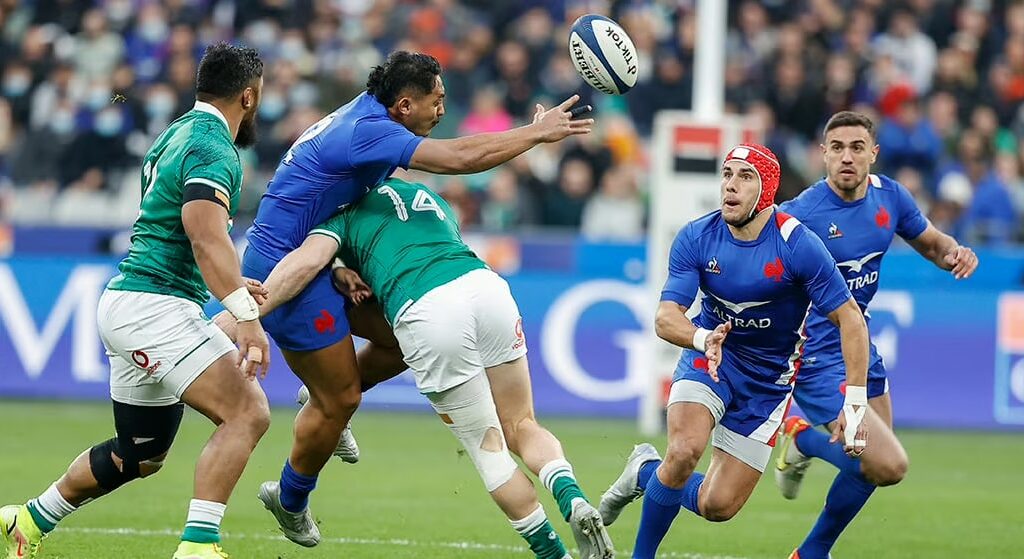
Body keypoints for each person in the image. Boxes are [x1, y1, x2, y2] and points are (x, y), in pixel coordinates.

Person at [240, 50, 593, 547]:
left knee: (408, 340)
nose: (442, 110)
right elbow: (459, 159)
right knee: (341, 398)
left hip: (327, 252)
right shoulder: (370, 132)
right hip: (288, 261)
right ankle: (291, 497)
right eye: (436, 101)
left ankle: (322, 402)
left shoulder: (371, 113)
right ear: (404, 105)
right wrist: (535, 134)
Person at [224, 176, 613, 559]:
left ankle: (554, 555)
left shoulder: (340, 218)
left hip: (428, 310)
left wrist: (246, 313)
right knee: (522, 424)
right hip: (485, 287)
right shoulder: (424, 195)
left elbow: (304, 265)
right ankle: (573, 497)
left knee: (489, 450)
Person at [1, 43, 271, 559]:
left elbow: (182, 234)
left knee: (141, 454)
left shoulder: (173, 134)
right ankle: (199, 546)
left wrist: (230, 283)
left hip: (134, 302)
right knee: (248, 412)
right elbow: (204, 237)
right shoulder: (214, 146)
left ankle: (27, 520)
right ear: (249, 96)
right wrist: (246, 313)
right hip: (155, 308)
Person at [598, 144, 871, 559]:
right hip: (710, 361)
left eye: (745, 176)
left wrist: (854, 403)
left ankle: (645, 472)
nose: (730, 184)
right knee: (685, 450)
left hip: (767, 384)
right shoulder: (697, 236)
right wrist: (700, 339)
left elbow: (851, 318)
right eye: (726, 174)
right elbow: (665, 316)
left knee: (717, 506)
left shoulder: (798, 245)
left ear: (767, 190)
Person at [775, 111, 978, 559]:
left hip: (859, 346)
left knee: (871, 463)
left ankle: (809, 538)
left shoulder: (891, 197)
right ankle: (804, 446)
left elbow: (929, 241)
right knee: (888, 463)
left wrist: (953, 253)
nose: (847, 157)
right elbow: (756, 268)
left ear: (873, 154)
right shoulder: (799, 214)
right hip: (813, 360)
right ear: (823, 154)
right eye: (838, 148)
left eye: (857, 148)